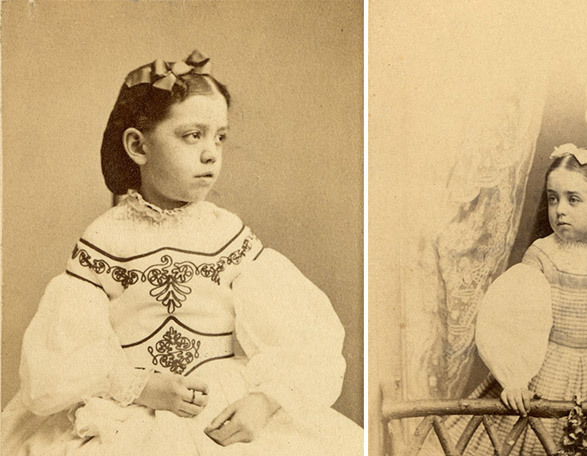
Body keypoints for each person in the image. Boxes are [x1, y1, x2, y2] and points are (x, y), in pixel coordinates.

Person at [1, 50, 362, 456]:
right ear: (138, 146)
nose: (211, 153)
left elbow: (303, 346)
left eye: (219, 137)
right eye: (193, 136)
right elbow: (61, 365)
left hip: (221, 405)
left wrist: (263, 403)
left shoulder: (226, 236)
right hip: (132, 415)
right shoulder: (104, 241)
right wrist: (139, 386)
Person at [430, 143, 587, 455]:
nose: (560, 209)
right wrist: (514, 379)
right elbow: (513, 318)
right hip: (548, 370)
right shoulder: (544, 255)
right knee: (539, 440)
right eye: (553, 198)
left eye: (574, 199)